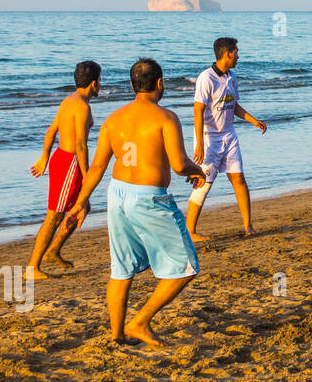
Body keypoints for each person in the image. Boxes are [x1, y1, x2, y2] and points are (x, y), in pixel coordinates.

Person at [63, 58, 208, 346]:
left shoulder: (113, 119)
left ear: (131, 85)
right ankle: (139, 322)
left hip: (117, 194)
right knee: (187, 266)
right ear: (159, 83)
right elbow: (179, 164)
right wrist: (198, 171)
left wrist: (81, 202)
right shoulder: (165, 117)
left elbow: (97, 168)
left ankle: (116, 335)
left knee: (121, 269)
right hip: (148, 197)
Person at [185, 37, 268, 243]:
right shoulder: (206, 78)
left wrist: (253, 120)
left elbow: (234, 105)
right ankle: (190, 230)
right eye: (236, 52)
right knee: (203, 182)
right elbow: (197, 112)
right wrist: (199, 144)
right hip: (208, 137)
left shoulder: (232, 76)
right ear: (227, 53)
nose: (238, 56)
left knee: (238, 178)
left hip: (229, 135)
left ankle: (248, 226)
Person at [26, 61, 102, 279]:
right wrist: (88, 178)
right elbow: (80, 145)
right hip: (70, 162)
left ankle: (53, 251)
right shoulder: (82, 107)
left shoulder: (68, 101)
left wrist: (44, 158)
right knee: (54, 216)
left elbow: (51, 131)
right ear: (94, 83)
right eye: (100, 82)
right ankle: (32, 268)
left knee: (82, 208)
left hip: (62, 160)